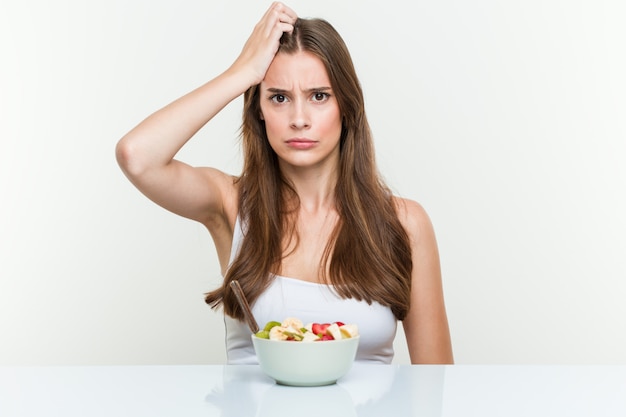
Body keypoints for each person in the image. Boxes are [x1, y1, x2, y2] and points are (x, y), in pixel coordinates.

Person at [116, 2, 453, 364]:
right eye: (279, 97)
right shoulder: (230, 202)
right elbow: (137, 156)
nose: (299, 119)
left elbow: (436, 385)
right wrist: (242, 72)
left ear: (347, 106)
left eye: (319, 96)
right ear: (258, 110)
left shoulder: (404, 223)